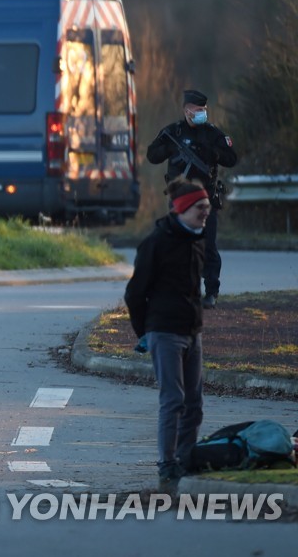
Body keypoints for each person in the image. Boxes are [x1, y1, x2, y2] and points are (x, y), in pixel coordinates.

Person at [124, 178, 210, 492]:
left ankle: (186, 459)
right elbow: (135, 293)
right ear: (183, 209)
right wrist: (144, 331)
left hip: (192, 331)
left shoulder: (198, 239)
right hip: (164, 332)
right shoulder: (156, 243)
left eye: (207, 207)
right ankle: (167, 465)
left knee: (195, 403)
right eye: (201, 208)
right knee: (173, 400)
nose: (206, 213)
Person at [146, 89, 237, 309]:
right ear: (187, 111)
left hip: (206, 199)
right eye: (197, 110)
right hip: (181, 200)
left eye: (204, 110)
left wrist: (215, 153)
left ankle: (211, 292)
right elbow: (152, 155)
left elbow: (231, 158)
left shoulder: (213, 133)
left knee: (208, 247)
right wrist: (169, 148)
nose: (201, 113)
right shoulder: (173, 132)